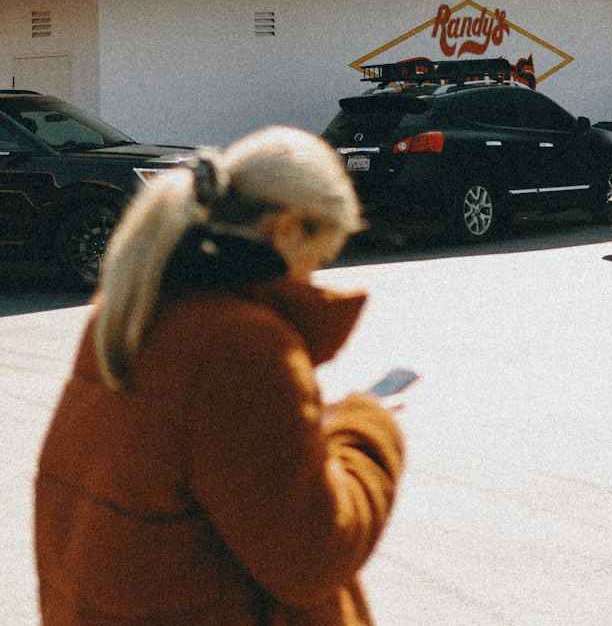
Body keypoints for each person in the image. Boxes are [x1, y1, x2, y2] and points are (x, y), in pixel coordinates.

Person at [35, 126, 405, 626]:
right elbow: (312, 556)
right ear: (290, 228)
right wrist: (368, 427)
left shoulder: (128, 313)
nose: (312, 278)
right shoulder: (240, 344)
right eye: (317, 260)